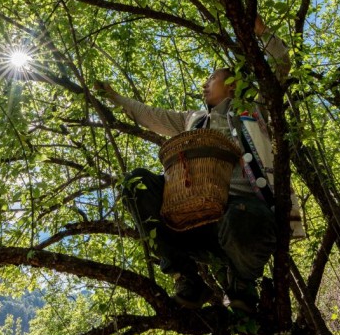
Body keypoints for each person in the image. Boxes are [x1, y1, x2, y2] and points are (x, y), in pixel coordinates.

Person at [96, 16, 291, 313]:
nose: (204, 85)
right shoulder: (192, 119)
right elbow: (150, 115)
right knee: (135, 184)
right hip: (189, 218)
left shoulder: (255, 109)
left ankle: (240, 283)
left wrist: (264, 34)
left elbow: (281, 65)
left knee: (245, 217)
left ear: (232, 84)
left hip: (240, 216)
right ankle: (185, 274)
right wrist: (116, 98)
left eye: (211, 78)